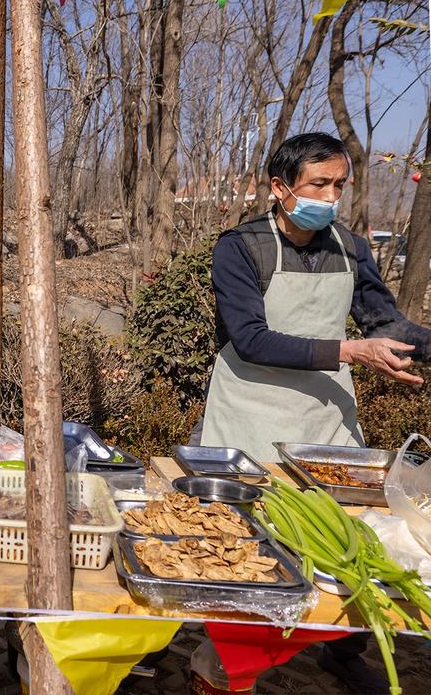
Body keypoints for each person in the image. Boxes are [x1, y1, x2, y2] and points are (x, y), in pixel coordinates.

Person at [201, 132, 430, 694]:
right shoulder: (241, 248)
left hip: (324, 417)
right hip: (250, 415)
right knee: (252, 546)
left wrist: (413, 343)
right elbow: (251, 339)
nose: (331, 196)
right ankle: (229, 663)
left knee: (348, 536)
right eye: (319, 184)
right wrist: (350, 351)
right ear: (281, 189)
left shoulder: (350, 246)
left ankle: (342, 648)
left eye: (339, 185)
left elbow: (382, 321)